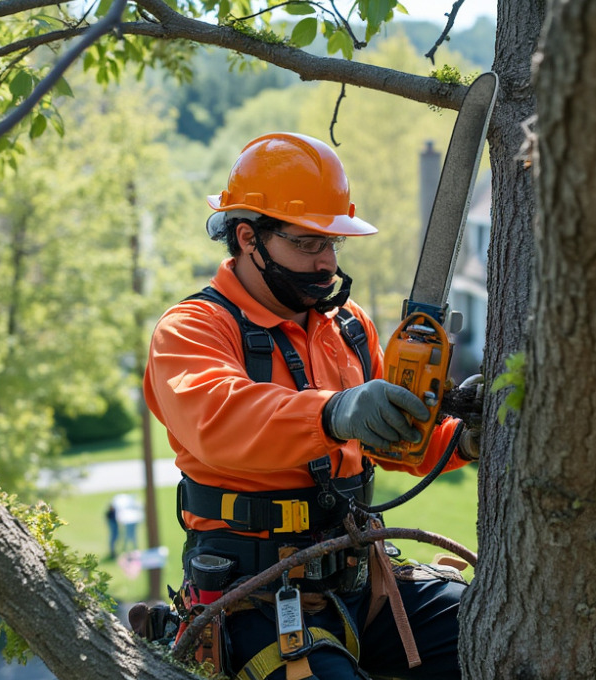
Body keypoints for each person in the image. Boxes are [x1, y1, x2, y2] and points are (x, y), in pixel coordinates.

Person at [143, 132, 480, 679]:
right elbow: (220, 419)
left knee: (496, 633)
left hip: (361, 581)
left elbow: (394, 438)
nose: (326, 263)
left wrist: (460, 439)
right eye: (307, 244)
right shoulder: (194, 329)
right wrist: (334, 412)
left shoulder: (347, 327)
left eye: (333, 245)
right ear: (249, 237)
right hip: (252, 597)